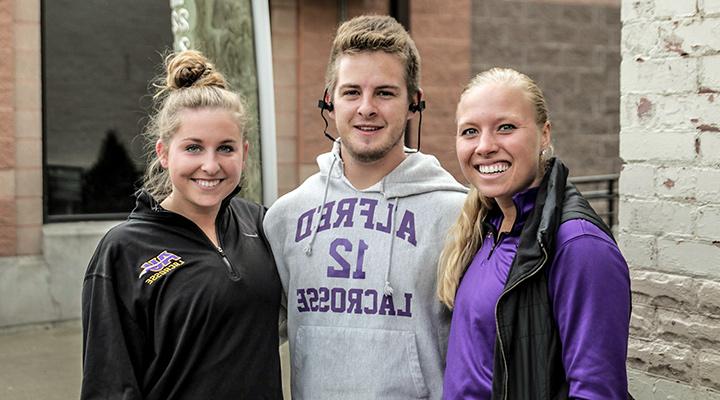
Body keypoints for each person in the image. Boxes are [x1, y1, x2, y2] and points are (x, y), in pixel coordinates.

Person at [263, 15, 467, 399]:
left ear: (414, 103)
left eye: (385, 93)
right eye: (352, 92)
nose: (367, 108)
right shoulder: (284, 218)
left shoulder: (458, 215)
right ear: (330, 100)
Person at [80, 50, 283, 400]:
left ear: (244, 153)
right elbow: (108, 383)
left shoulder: (261, 224)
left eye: (225, 148)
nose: (210, 165)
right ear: (163, 153)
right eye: (193, 148)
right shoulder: (124, 250)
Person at [438, 67, 632, 399]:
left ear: (544, 134)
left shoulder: (578, 245)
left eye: (506, 127)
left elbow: (597, 391)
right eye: (470, 131)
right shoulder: (487, 229)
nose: (484, 146)